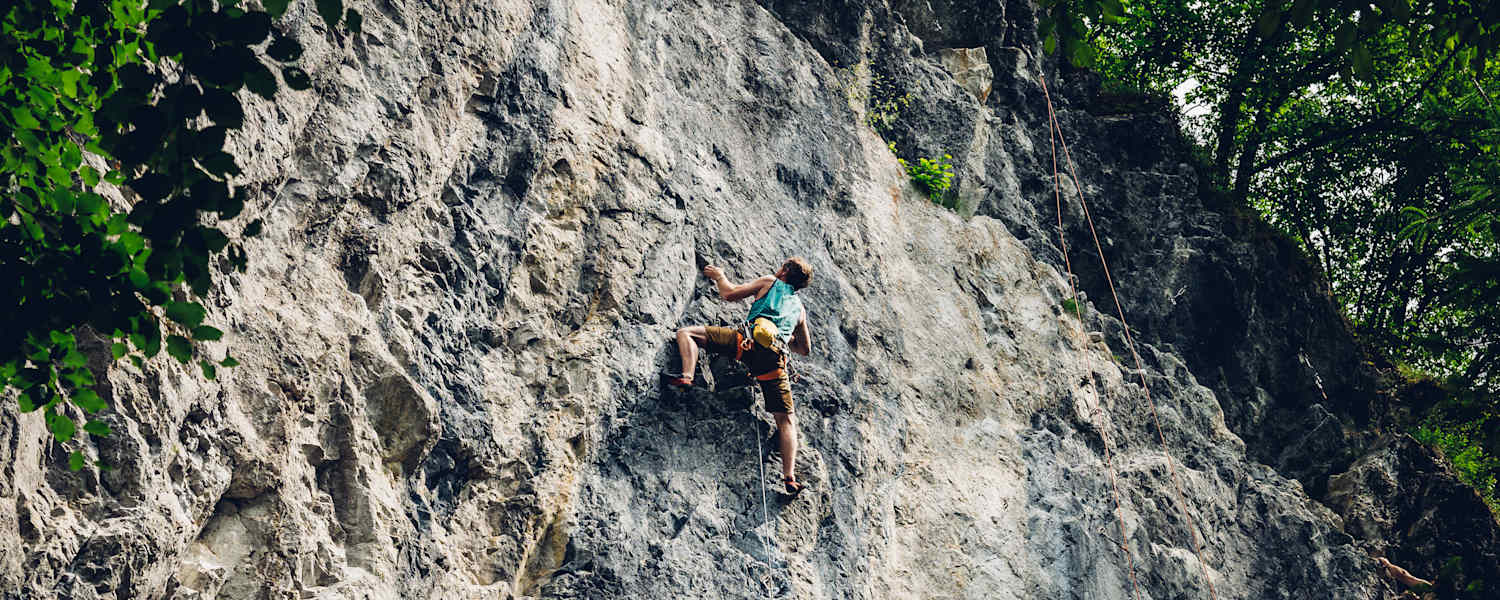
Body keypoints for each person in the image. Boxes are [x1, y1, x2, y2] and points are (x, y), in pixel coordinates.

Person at [665, 257, 813, 496]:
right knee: (786, 421)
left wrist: (719, 276)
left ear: (785, 270)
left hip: (744, 345)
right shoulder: (800, 310)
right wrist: (783, 335)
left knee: (687, 333)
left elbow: (729, 294)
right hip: (773, 362)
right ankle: (789, 477)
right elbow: (805, 349)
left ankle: (687, 376)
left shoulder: (770, 282)